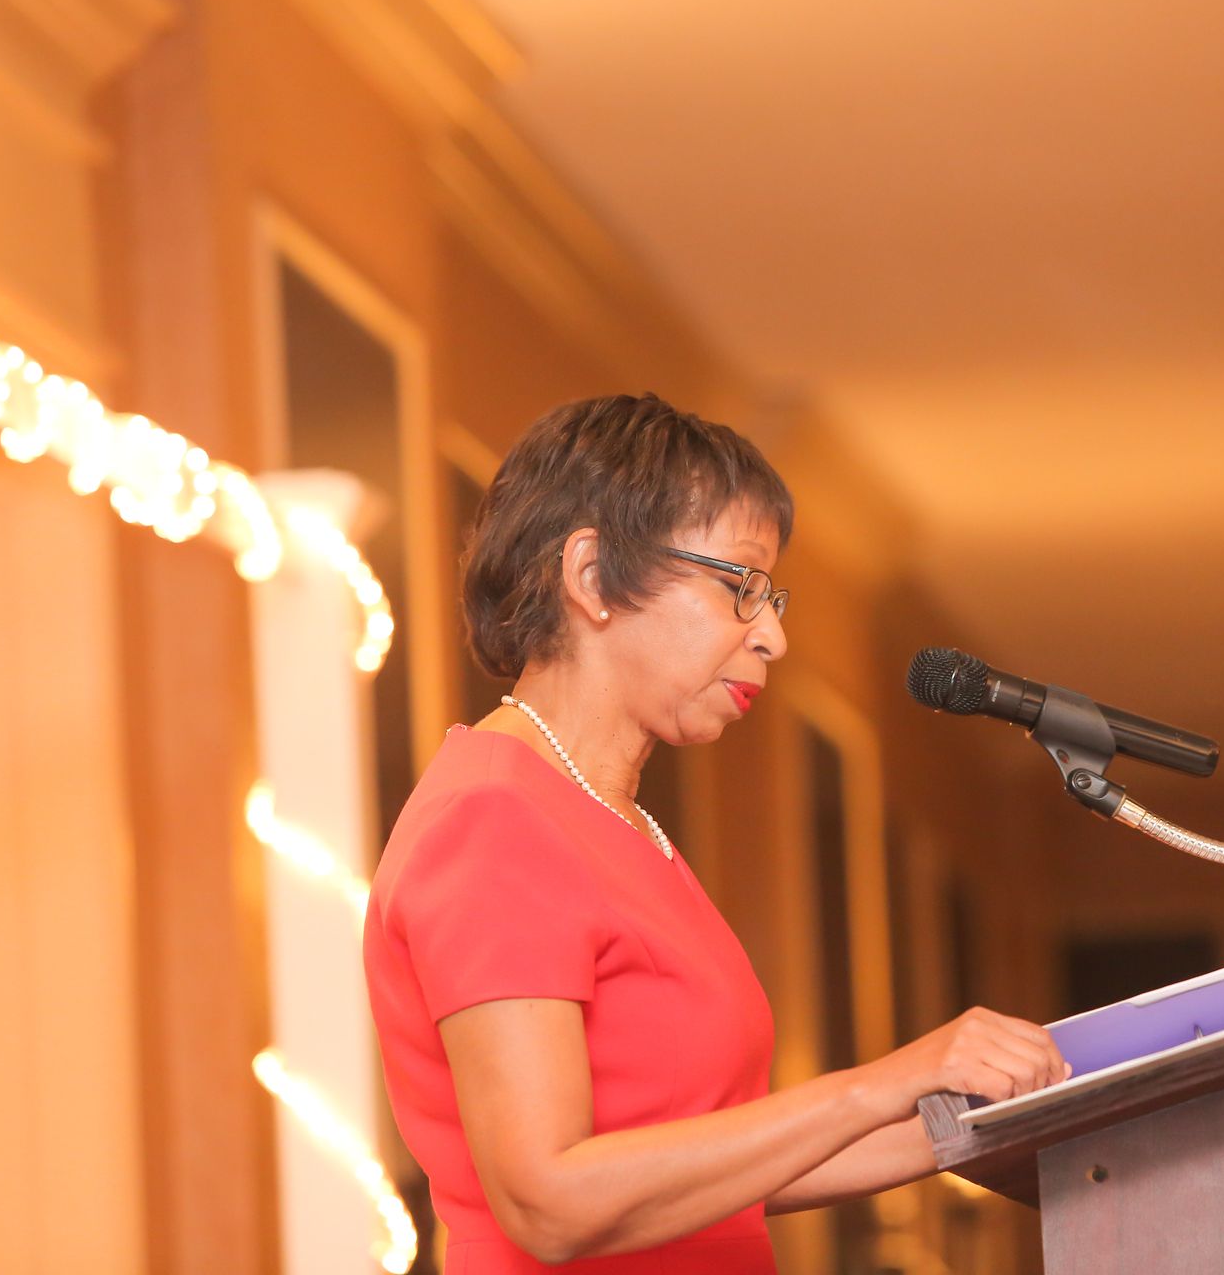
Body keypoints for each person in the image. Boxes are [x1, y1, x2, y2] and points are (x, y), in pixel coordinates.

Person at [363, 393, 1068, 1273]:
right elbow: (549, 1201)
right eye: (740, 587)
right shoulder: (495, 818)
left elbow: (721, 1166)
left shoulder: (614, 822)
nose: (772, 637)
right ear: (593, 578)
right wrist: (884, 1083)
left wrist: (1008, 1112)